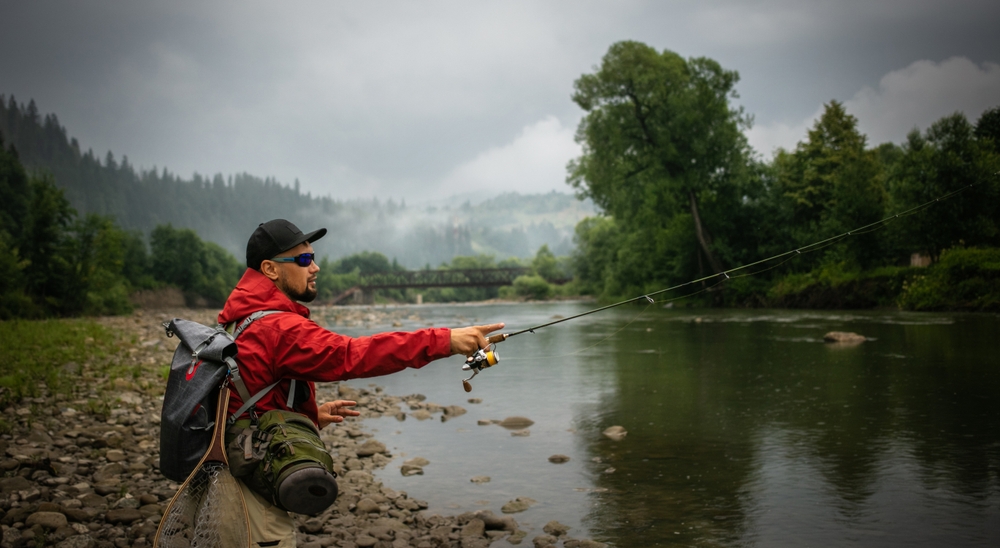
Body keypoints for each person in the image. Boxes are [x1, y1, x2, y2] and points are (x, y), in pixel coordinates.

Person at [218, 219, 503, 547]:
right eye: (304, 260)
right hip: (246, 490)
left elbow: (247, 392)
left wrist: (307, 417)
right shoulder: (277, 328)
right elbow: (352, 355)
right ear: (270, 269)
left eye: (313, 258)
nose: (316, 267)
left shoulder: (242, 318)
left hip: (227, 469)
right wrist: (445, 340)